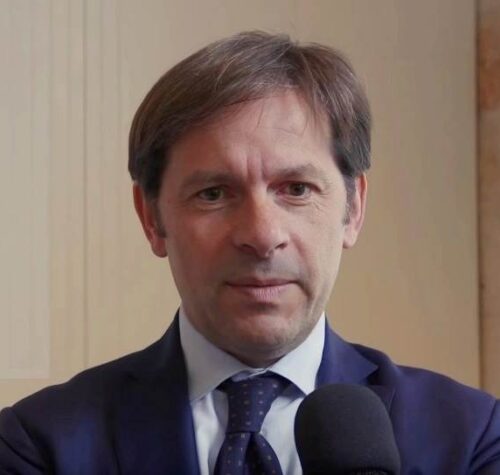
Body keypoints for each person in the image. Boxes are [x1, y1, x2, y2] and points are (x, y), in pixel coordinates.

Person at [0, 31, 498, 475]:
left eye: (296, 189)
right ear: (152, 218)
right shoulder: (37, 446)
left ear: (353, 208)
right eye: (214, 193)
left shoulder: (473, 439)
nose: (261, 235)